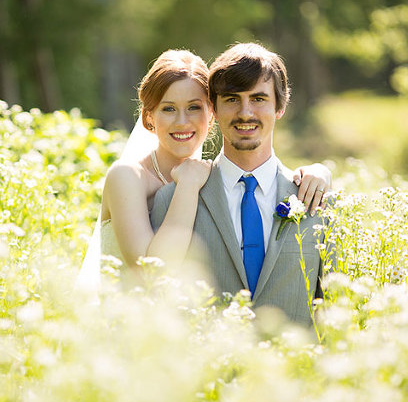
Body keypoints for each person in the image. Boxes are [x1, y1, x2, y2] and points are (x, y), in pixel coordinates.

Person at [77, 49, 330, 290]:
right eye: (168, 109)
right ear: (149, 117)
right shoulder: (128, 176)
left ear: (212, 113)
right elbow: (149, 273)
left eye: (194, 107)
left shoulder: (210, 178)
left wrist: (320, 171)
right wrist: (186, 187)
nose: (182, 121)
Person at [150, 43, 328, 325]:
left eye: (258, 99)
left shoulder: (317, 200)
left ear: (280, 107)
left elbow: (332, 311)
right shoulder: (171, 200)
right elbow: (160, 303)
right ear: (214, 109)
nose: (245, 113)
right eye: (232, 99)